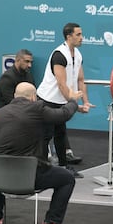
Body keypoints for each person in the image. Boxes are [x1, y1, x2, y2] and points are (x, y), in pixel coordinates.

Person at [0, 82, 81, 224]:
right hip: (30, 179)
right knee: (67, 178)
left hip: (2, 181)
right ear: (33, 97)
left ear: (15, 96)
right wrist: (72, 101)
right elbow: (63, 115)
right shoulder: (36, 108)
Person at [0, 49, 82, 165]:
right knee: (44, 124)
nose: (29, 65)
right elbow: (11, 103)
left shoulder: (28, 74)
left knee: (58, 123)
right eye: (26, 62)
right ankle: (43, 159)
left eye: (30, 62)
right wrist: (73, 102)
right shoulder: (7, 79)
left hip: (26, 110)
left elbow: (33, 96)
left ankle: (63, 155)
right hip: (11, 114)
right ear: (17, 60)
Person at [37, 22, 94, 177]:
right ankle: (41, 170)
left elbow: (81, 80)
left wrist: (85, 101)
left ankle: (63, 167)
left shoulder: (78, 54)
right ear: (69, 36)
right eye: (78, 34)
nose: (82, 38)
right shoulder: (59, 55)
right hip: (47, 100)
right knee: (46, 135)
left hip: (62, 100)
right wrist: (73, 103)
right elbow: (61, 84)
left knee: (60, 134)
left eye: (81, 34)